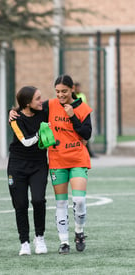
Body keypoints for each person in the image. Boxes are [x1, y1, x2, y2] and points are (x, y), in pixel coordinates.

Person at [49, 75, 92, 254]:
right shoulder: (50, 105)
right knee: (61, 203)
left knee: (79, 200)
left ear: (72, 89)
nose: (60, 95)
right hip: (57, 159)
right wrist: (15, 111)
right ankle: (64, 242)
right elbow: (31, 111)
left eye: (64, 91)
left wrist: (73, 117)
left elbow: (87, 134)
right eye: (58, 91)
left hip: (77, 158)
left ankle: (79, 232)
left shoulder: (82, 108)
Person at [7, 86, 49, 256]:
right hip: (17, 166)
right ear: (27, 103)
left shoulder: (43, 111)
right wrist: (44, 132)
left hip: (38, 165)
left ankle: (40, 237)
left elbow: (63, 102)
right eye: (37, 98)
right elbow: (26, 141)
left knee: (38, 200)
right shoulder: (15, 119)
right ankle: (24, 241)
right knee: (21, 204)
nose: (41, 101)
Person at [74, 82, 96, 158]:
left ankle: (89, 153)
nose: (78, 89)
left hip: (82, 118)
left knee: (85, 135)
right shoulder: (74, 96)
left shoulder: (82, 95)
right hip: (75, 118)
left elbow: (84, 106)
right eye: (77, 87)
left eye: (79, 87)